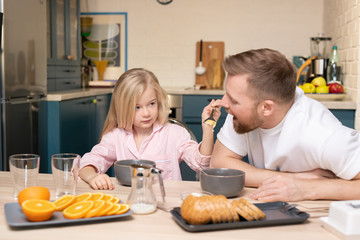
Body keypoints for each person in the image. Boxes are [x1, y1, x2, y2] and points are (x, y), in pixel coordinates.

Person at [210, 48, 360, 202]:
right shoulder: (240, 112)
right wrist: (292, 179)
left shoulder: (323, 134)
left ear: (266, 108)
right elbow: (218, 163)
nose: (224, 103)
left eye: (233, 100)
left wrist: (307, 189)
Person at [79, 68, 221, 190]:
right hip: (129, 203)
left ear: (158, 101)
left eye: (151, 104)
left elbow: (202, 164)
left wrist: (208, 128)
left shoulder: (174, 133)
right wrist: (92, 177)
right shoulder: (116, 136)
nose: (146, 113)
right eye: (137, 107)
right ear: (123, 108)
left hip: (166, 204)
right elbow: (86, 164)